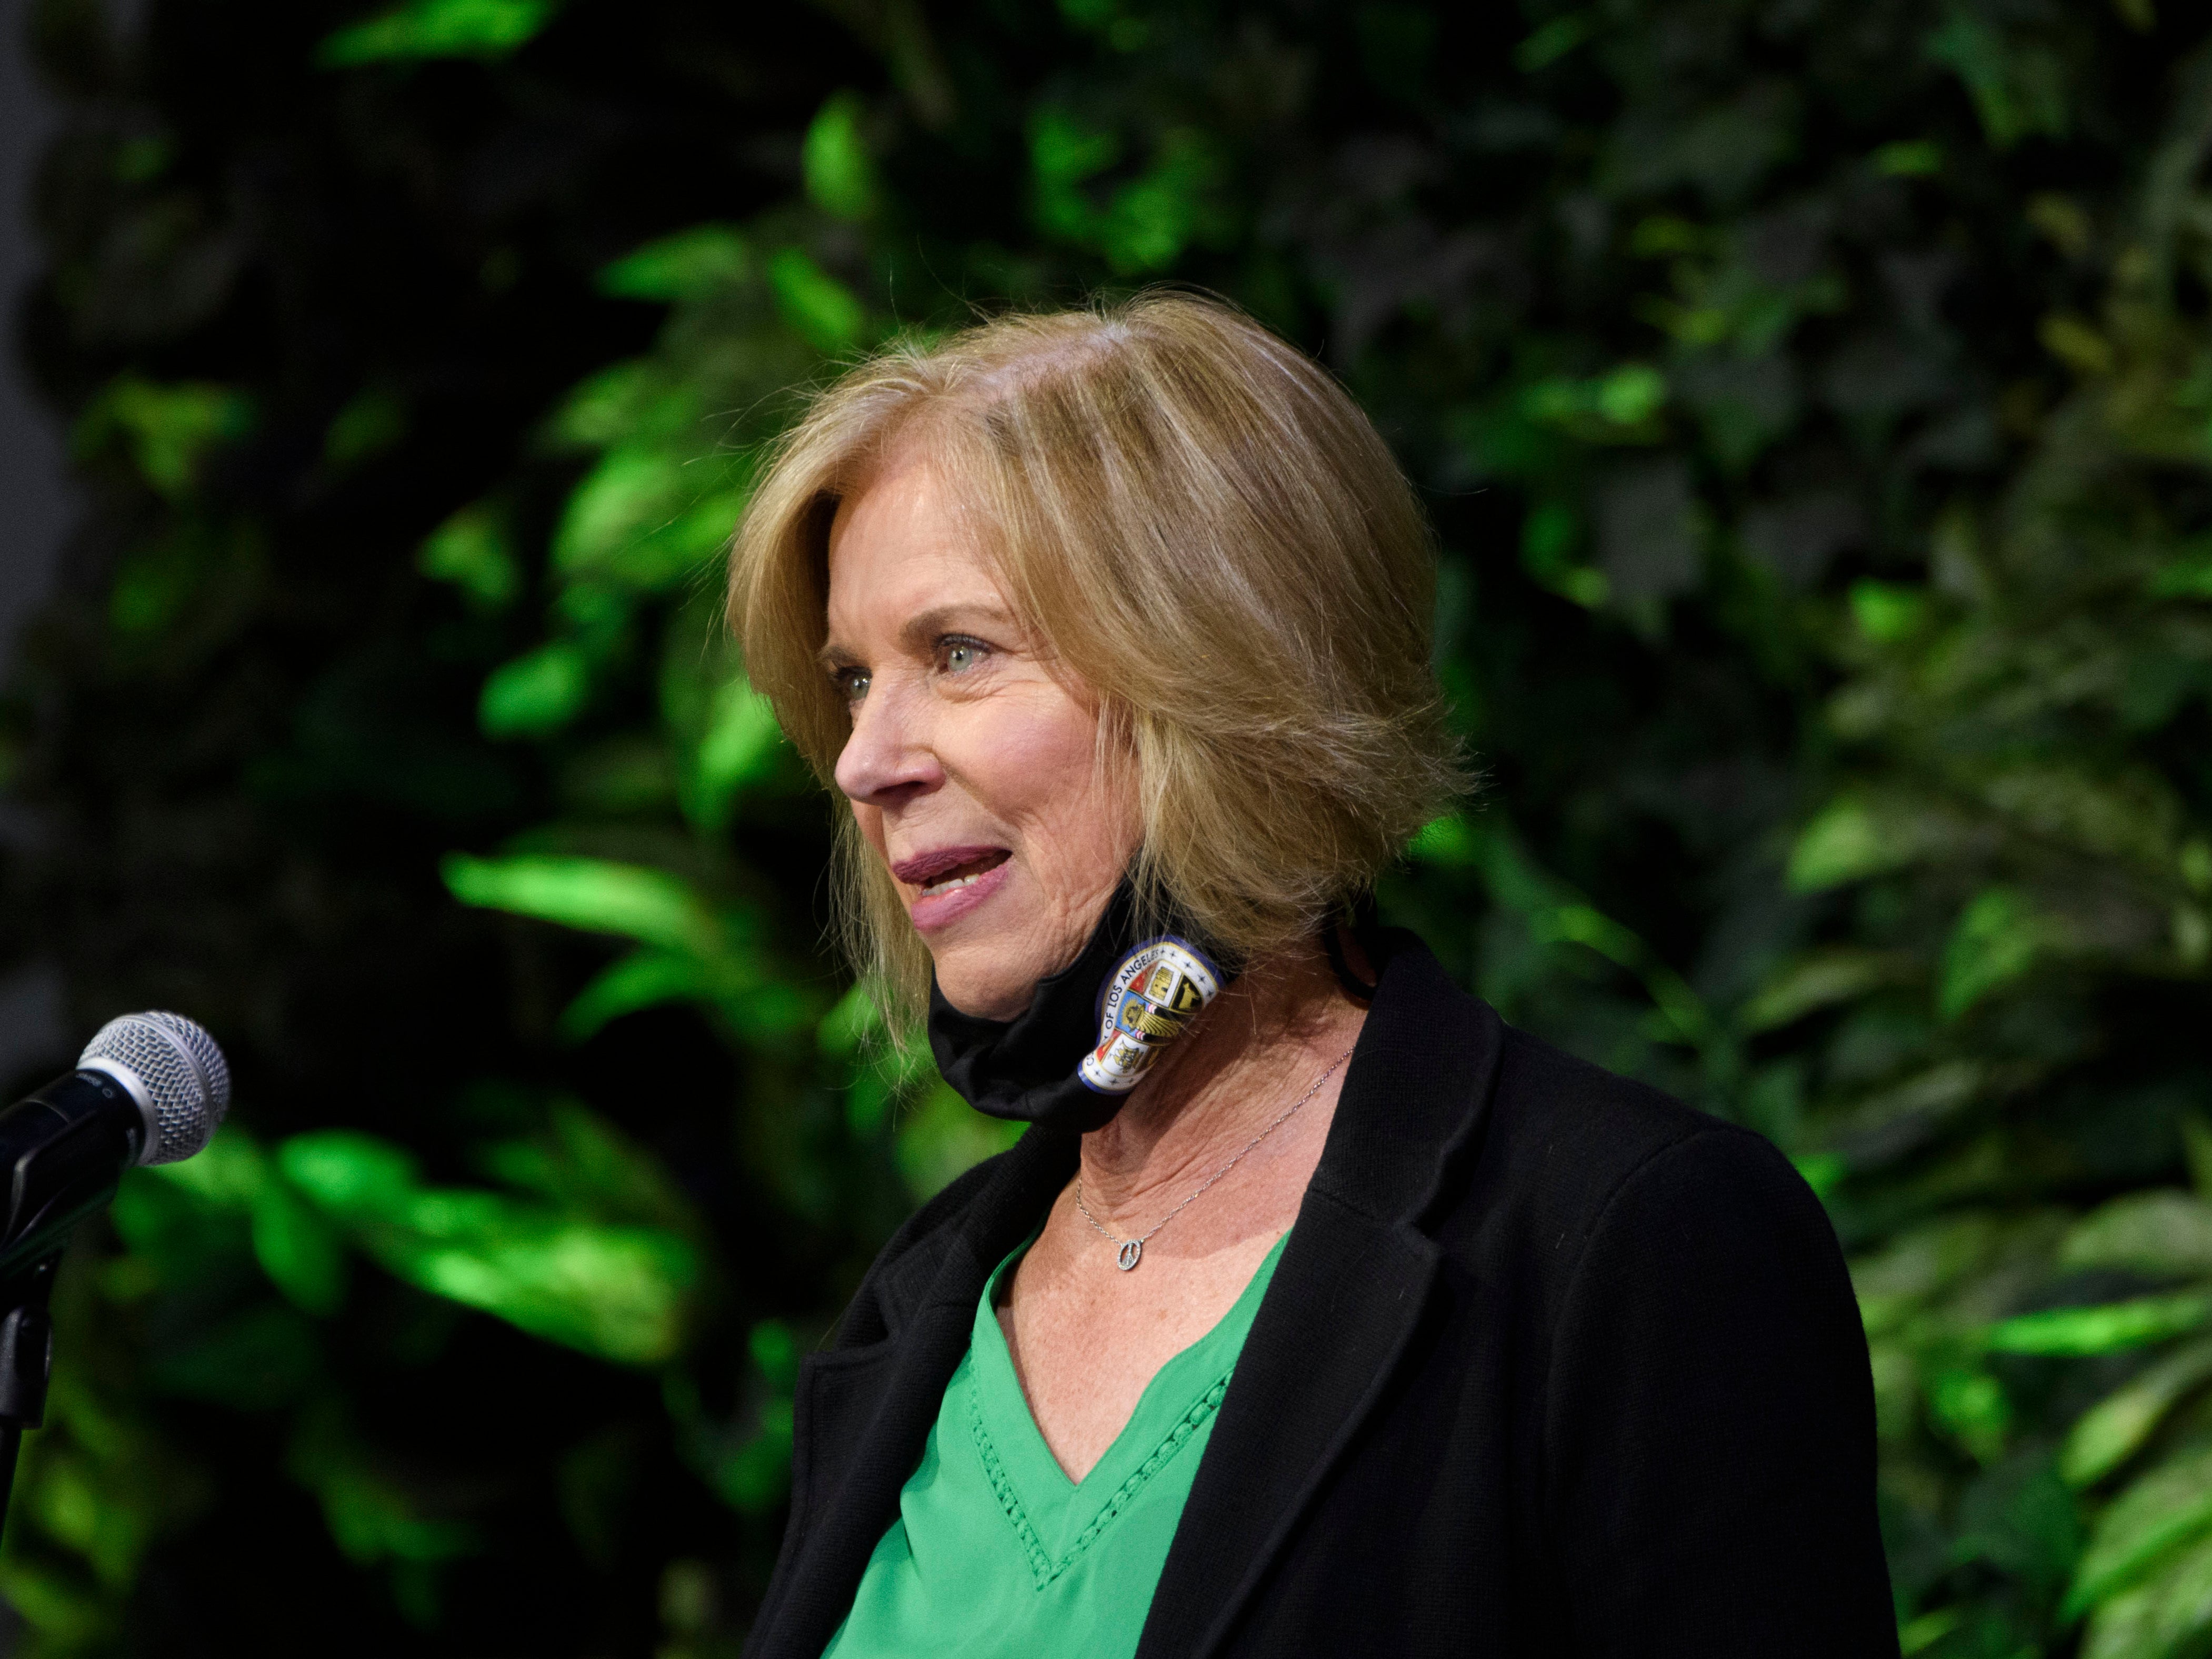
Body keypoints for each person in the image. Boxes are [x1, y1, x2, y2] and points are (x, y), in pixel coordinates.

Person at [726, 293, 1896, 1658]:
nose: (866, 759)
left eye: (959, 652)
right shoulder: (921, 1299)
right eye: (854, 679)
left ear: (1226, 671)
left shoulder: (1626, 1240)